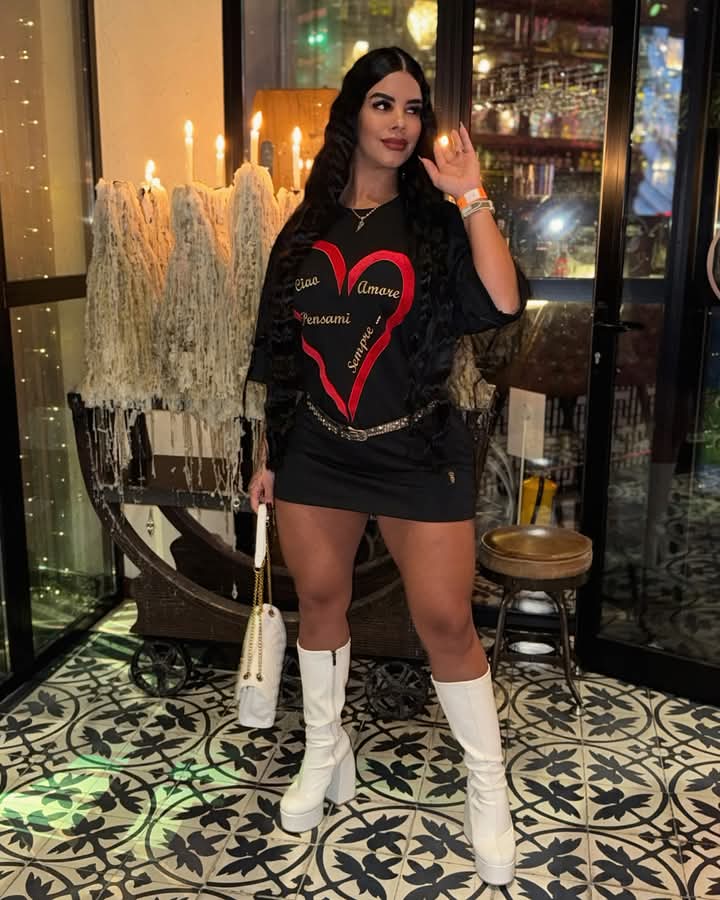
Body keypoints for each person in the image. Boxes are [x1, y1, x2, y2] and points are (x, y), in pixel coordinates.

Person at [246, 46, 528, 887]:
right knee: (319, 601)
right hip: (316, 448)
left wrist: (471, 196)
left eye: (412, 108)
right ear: (352, 116)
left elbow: (504, 301)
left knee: (445, 621)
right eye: (383, 104)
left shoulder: (435, 224)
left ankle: (488, 788)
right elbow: (279, 354)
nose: (400, 122)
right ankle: (325, 751)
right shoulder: (304, 230)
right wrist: (267, 453)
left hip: (416, 448)